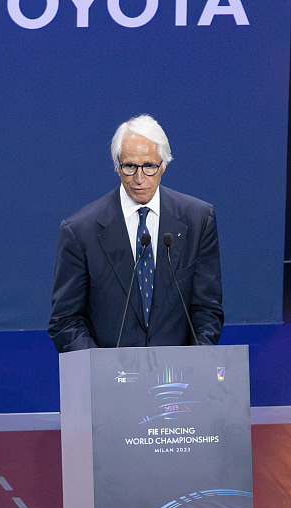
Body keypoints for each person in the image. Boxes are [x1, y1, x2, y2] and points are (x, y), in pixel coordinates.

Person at [48, 115, 224, 353]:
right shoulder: (81, 230)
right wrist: (99, 371)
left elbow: (207, 309)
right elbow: (65, 320)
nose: (139, 179)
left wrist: (194, 364)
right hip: (108, 380)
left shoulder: (198, 219)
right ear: (117, 166)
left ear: (163, 165)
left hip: (176, 378)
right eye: (130, 166)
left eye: (149, 166)